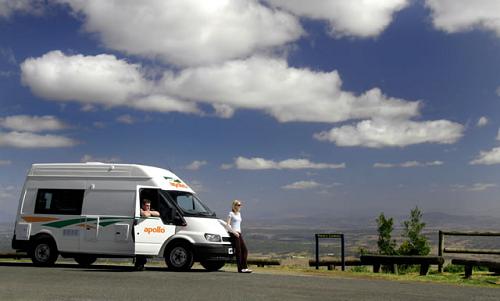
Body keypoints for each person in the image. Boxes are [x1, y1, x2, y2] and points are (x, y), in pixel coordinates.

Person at [227, 200, 252, 273]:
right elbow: (227, 225)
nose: (240, 206)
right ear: (234, 206)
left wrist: (238, 233)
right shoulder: (231, 213)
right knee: (239, 251)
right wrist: (234, 232)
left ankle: (244, 267)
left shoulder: (239, 214)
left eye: (240, 205)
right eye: (238, 205)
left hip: (239, 233)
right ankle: (240, 269)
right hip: (234, 233)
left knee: (245, 250)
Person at [135, 199, 160, 271]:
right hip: (139, 232)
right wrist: (149, 213)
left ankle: (141, 264)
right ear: (143, 205)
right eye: (147, 206)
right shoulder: (139, 209)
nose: (148, 207)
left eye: (149, 206)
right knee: (140, 252)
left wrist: (149, 212)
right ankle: (139, 265)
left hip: (146, 232)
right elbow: (145, 215)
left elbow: (158, 213)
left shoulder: (149, 210)